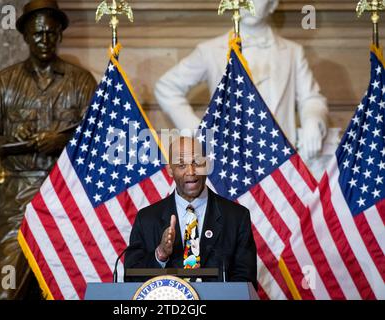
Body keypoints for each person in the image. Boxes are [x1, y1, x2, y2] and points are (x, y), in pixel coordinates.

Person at [0, 0, 97, 299]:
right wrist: (16, 141)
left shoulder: (81, 81)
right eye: (38, 34)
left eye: (52, 33)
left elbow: (97, 142)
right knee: (5, 287)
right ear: (26, 36)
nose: (45, 40)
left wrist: (62, 142)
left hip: (65, 194)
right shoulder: (6, 81)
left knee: (63, 289)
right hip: (18, 195)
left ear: (60, 34)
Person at [154, 0, 329, 160]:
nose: (247, 2)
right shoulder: (210, 50)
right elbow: (166, 87)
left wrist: (313, 120)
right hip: (230, 157)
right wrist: (198, 132)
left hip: (280, 156)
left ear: (273, 4)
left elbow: (311, 98)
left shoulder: (292, 52)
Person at [124, 137, 257, 286]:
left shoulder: (237, 217)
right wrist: (160, 255)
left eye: (197, 162)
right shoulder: (147, 219)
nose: (191, 171)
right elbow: (131, 277)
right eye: (181, 165)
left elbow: (246, 282)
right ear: (170, 170)